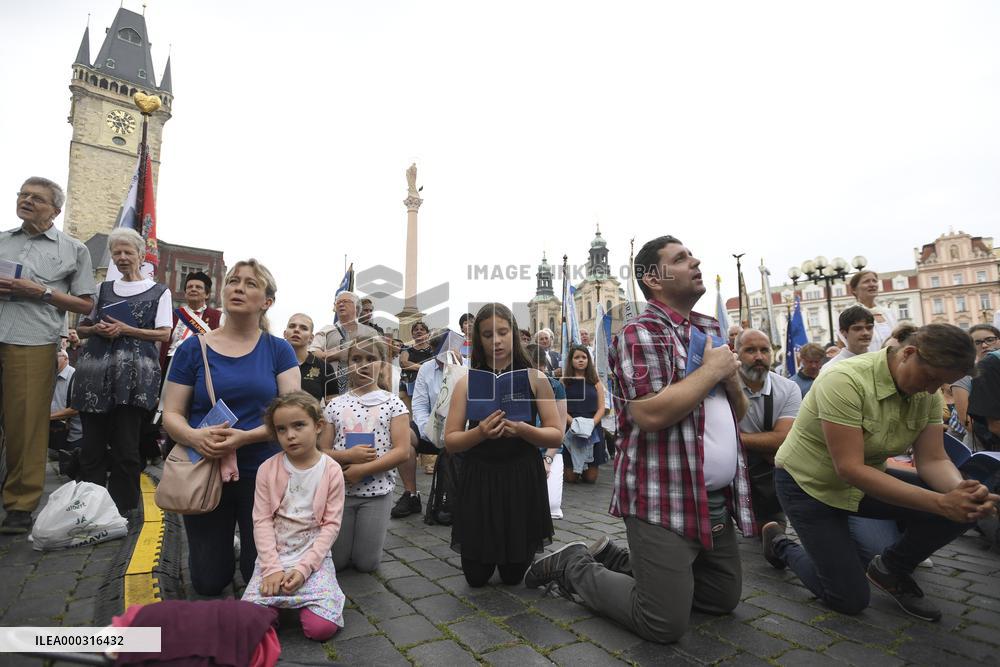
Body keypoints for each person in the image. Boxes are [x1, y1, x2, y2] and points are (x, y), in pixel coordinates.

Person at [523, 235, 755, 644]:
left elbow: (735, 416)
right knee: (662, 623)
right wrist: (714, 371)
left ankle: (618, 559)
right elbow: (648, 413)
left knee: (721, 598)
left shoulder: (709, 329)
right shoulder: (640, 331)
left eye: (692, 255)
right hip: (664, 495)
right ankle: (575, 566)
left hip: (713, 500)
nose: (695, 260)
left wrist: (731, 381)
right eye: (681, 258)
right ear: (653, 278)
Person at [762, 324, 998, 621]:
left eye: (941, 385)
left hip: (865, 483)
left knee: (965, 507)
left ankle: (890, 568)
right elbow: (850, 469)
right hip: (808, 487)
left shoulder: (927, 391)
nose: (930, 390)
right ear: (908, 353)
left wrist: (959, 491)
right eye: (931, 379)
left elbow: (934, 459)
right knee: (849, 599)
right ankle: (780, 543)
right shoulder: (845, 379)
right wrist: (941, 503)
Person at [162, 259, 300, 595]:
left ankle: (250, 551)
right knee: (209, 582)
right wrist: (195, 436)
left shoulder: (278, 349)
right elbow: (172, 414)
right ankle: (226, 550)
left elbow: (293, 414)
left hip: (263, 469)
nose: (238, 287)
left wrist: (246, 437)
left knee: (258, 575)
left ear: (267, 301)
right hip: (204, 468)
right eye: (234, 281)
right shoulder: (193, 348)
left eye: (251, 284)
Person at [0, 177, 95, 534]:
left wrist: (39, 291)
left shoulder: (74, 250)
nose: (26, 201)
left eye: (36, 198)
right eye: (23, 195)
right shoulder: (2, 240)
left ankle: (20, 505)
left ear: (55, 209)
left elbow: (86, 304)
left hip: (32, 340)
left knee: (25, 424)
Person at [444, 303, 561, 587]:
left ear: (515, 335)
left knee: (512, 577)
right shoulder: (466, 383)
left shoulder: (537, 378)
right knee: (476, 578)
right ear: (478, 340)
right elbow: (451, 441)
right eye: (487, 334)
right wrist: (481, 432)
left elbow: (556, 434)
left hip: (521, 475)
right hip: (480, 476)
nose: (495, 340)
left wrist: (523, 430)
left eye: (502, 332)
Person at [70, 228, 172, 514]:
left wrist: (127, 329)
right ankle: (89, 509)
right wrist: (97, 328)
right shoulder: (102, 290)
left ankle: (120, 510)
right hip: (95, 376)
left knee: (127, 448)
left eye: (129, 252)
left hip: (134, 379)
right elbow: (81, 327)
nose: (123, 257)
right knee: (91, 447)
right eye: (117, 252)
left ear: (141, 256)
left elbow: (164, 334)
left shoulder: (160, 292)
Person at [241, 392, 346, 642]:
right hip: (275, 555)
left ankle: (304, 600)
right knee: (247, 623)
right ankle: (273, 609)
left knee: (321, 628)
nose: (290, 435)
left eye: (299, 425)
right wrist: (271, 568)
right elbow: (262, 520)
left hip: (313, 557)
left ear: (318, 425)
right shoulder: (267, 469)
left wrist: (303, 569)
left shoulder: (331, 470)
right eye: (281, 429)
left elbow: (331, 525)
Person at [321, 336, 410, 573]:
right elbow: (322, 450)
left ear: (382, 364)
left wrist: (363, 469)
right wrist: (347, 457)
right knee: (337, 562)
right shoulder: (335, 405)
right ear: (347, 364)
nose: (363, 364)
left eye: (371, 359)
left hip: (376, 493)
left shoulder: (394, 404)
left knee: (366, 564)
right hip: (341, 492)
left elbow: (402, 451)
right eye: (356, 359)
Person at [391, 330, 461, 520]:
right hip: (431, 429)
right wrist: (428, 432)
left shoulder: (467, 366)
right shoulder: (426, 369)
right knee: (404, 436)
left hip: (461, 431)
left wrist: (459, 369)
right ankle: (411, 494)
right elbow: (420, 406)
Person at [735, 329, 802, 526]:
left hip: (766, 481)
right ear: (736, 353)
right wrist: (765, 442)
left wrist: (732, 439)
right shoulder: (720, 386)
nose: (759, 357)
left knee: (772, 532)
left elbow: (783, 439)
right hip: (729, 477)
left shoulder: (788, 388)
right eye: (750, 350)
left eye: (764, 350)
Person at [309, 292, 378, 398]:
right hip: (331, 391)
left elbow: (379, 359)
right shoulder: (327, 330)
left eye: (345, 301)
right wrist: (334, 355)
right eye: (338, 302)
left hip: (363, 391)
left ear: (356, 307)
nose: (341, 304)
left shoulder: (370, 333)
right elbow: (312, 354)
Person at [525, 343, 567, 520]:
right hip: (524, 452)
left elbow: (560, 429)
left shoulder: (556, 387)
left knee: (550, 506)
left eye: (540, 366)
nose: (538, 372)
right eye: (532, 367)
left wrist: (548, 459)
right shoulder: (517, 387)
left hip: (550, 450)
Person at [159, 271, 222, 375]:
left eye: (198, 287)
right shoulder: (173, 315)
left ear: (207, 294)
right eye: (189, 287)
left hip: (201, 366)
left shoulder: (217, 317)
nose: (193, 289)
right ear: (185, 293)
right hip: (171, 364)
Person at [561, 344, 607, 484]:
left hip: (592, 429)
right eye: (577, 357)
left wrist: (592, 423)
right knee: (570, 478)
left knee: (590, 478)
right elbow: (560, 408)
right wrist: (574, 423)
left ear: (588, 360)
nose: (581, 360)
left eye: (584, 357)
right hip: (571, 428)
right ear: (571, 360)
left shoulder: (596, 382)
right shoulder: (564, 382)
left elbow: (602, 407)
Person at [951, 324, 1000, 444]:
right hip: (981, 444)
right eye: (977, 342)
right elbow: (967, 422)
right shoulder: (963, 376)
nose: (984, 345)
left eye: (990, 340)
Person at [283, 313, 329, 403]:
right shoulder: (271, 362)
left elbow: (332, 406)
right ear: (285, 334)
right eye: (292, 326)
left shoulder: (325, 368)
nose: (296, 330)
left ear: (311, 338)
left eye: (303, 328)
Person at [848, 270, 897, 352]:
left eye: (874, 281)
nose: (872, 284)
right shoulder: (849, 314)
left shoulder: (888, 313)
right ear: (854, 290)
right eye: (866, 281)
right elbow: (842, 346)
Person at [50, 349, 82, 466]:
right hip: (56, 432)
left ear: (65, 358)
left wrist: (47, 417)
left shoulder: (75, 376)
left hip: (73, 435)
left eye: (56, 357)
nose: (51, 360)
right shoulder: (51, 376)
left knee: (71, 471)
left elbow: (75, 409)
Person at [819, 306, 874, 373]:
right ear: (843, 332)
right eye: (857, 329)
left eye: (869, 328)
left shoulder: (880, 362)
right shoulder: (831, 368)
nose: (865, 333)